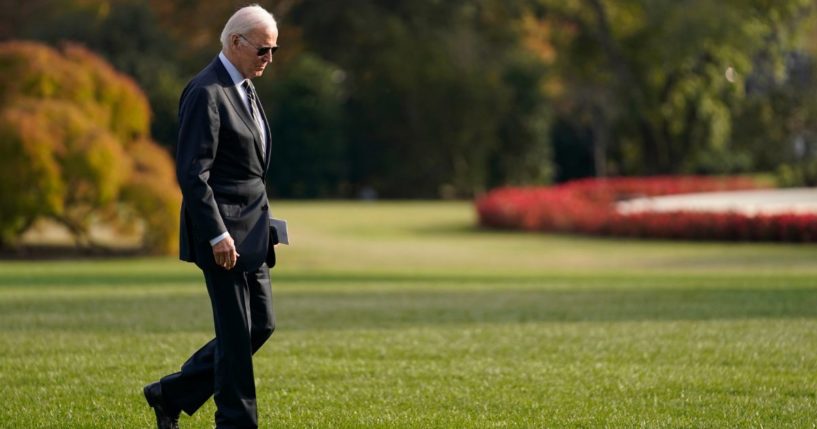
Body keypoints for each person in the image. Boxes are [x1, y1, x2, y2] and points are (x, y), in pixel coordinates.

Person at [143, 5, 280, 429]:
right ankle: (236, 422)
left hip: (254, 233)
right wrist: (217, 234)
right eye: (263, 49)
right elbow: (192, 172)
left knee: (260, 325)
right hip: (223, 237)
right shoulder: (206, 91)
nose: (269, 59)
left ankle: (171, 393)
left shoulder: (245, 86)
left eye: (274, 49)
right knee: (237, 335)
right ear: (235, 42)